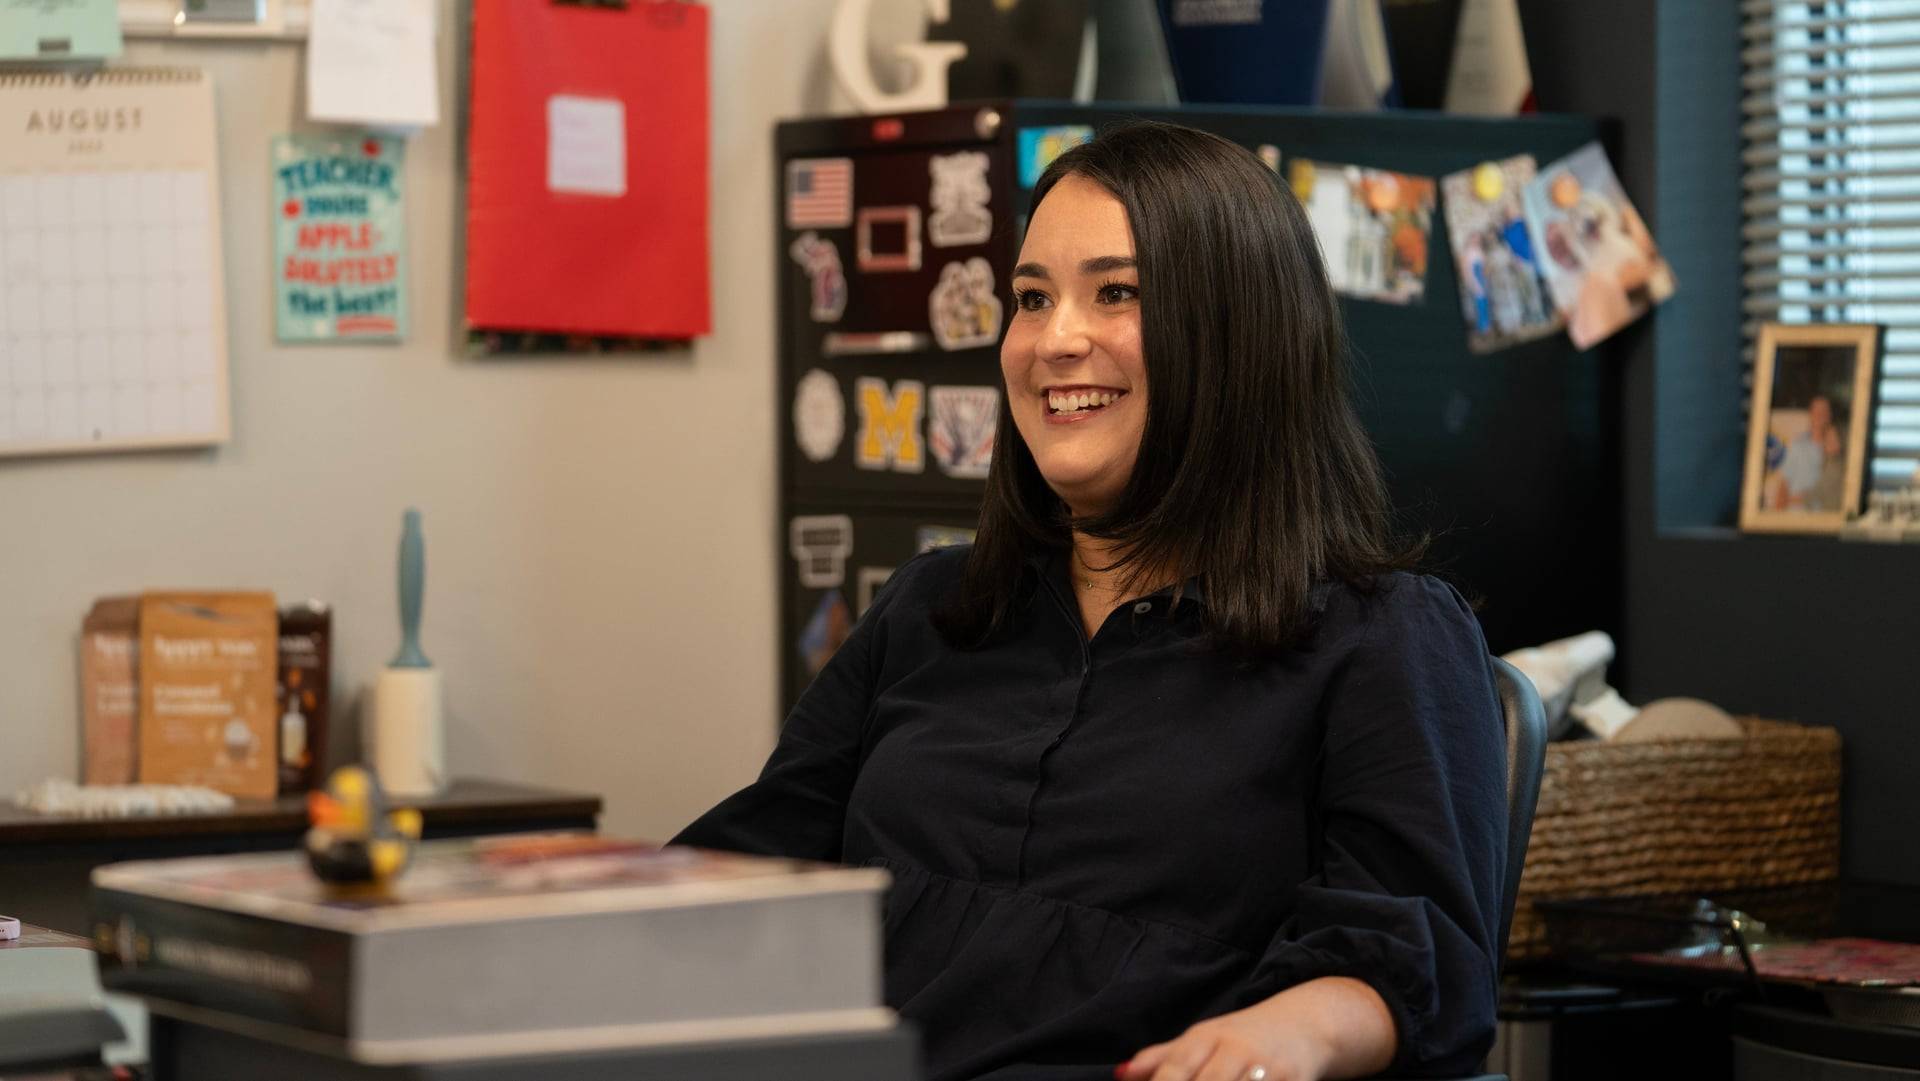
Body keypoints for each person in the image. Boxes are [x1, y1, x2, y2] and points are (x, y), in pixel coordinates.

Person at [674, 121, 1507, 1081]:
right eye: (1032, 300)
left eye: (1116, 293)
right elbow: (745, 874)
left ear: (1241, 337)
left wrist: (1289, 1035)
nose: (1054, 341)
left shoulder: (1381, 635)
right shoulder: (934, 607)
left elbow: (1416, 956)